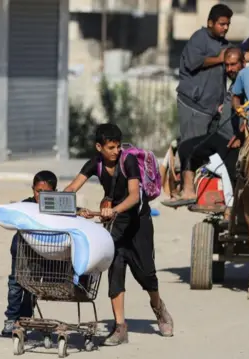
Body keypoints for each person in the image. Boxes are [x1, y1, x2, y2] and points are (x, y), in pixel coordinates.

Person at [65, 124, 173, 346]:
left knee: (146, 273)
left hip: (138, 222)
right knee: (115, 271)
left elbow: (134, 196)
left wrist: (113, 209)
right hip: (115, 225)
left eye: (117, 146)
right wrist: (61, 204)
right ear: (99, 147)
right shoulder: (95, 163)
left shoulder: (128, 161)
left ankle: (158, 307)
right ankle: (120, 327)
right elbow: (72, 188)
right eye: (111, 147)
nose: (116, 151)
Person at [162, 47, 245, 210]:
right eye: (227, 65)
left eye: (234, 65)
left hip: (232, 140)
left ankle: (237, 209)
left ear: (243, 63)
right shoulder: (236, 81)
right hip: (220, 135)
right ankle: (188, 192)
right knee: (186, 147)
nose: (230, 69)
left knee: (233, 177)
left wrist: (241, 136)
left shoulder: (248, 80)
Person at [1, 170, 58, 337]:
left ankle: (24, 319)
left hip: (41, 252)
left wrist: (82, 211)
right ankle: (11, 318)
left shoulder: (57, 206)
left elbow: (72, 212)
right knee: (16, 283)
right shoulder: (27, 205)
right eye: (38, 191)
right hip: (21, 250)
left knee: (32, 286)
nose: (41, 196)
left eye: (46, 193)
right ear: (33, 189)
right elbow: (11, 213)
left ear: (54, 192)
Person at [175, 4, 233, 141]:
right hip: (194, 106)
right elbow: (193, 62)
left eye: (228, 24)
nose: (225, 27)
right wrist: (219, 59)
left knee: (211, 152)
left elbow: (238, 56)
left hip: (213, 110)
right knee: (192, 148)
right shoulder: (199, 38)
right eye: (222, 24)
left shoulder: (224, 44)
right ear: (210, 23)